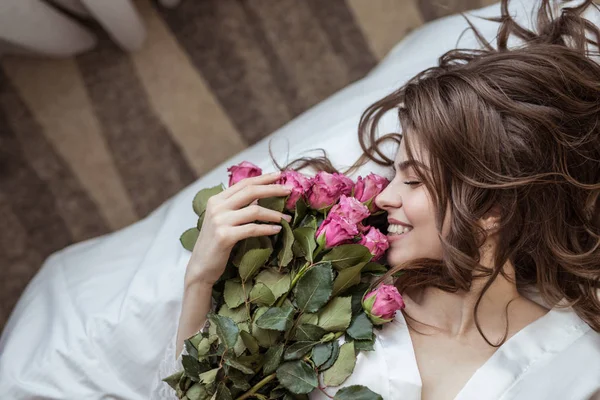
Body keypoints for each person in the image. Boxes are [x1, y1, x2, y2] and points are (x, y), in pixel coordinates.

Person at [150, 0, 600, 398]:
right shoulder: (330, 290)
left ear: (492, 210)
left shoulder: (575, 362)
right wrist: (199, 280)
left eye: (414, 180)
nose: (384, 195)